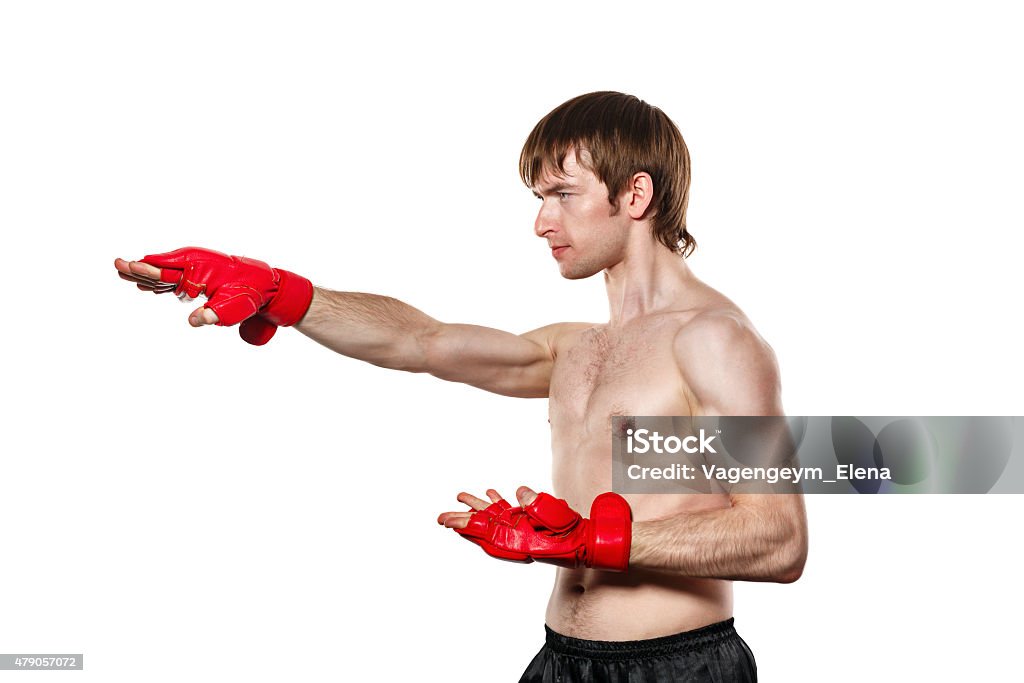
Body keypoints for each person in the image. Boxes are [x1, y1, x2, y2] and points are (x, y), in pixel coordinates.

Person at [115, 91, 806, 682]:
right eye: (540, 198)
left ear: (636, 193)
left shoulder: (712, 339)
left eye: (563, 194)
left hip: (675, 666)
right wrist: (283, 294)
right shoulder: (577, 346)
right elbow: (423, 342)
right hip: (559, 658)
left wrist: (584, 541)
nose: (542, 222)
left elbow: (777, 539)